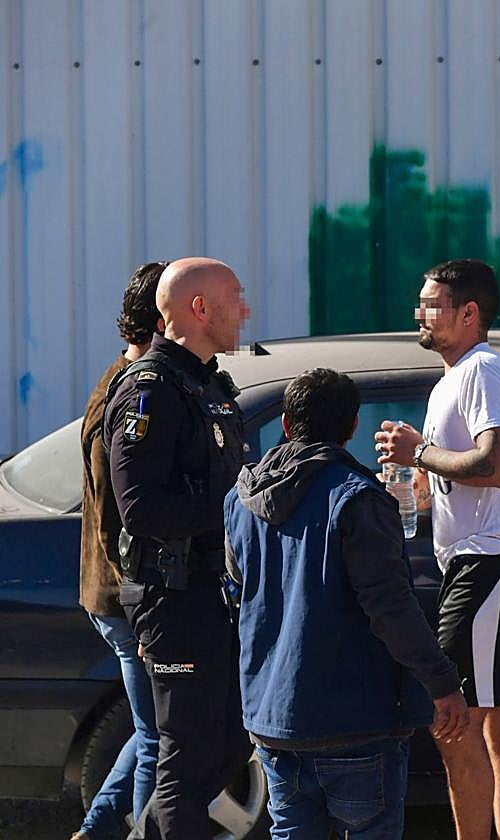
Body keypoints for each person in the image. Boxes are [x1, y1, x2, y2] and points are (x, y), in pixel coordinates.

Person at [223, 367, 470, 838]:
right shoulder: (357, 500)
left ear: (288, 426)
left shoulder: (241, 499)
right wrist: (442, 683)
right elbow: (391, 608)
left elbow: (238, 588)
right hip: (356, 722)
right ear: (352, 427)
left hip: (274, 719)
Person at [374, 259, 500, 840]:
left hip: (490, 563)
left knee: (455, 721)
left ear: (469, 313)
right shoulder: (453, 379)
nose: (420, 314)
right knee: (498, 723)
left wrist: (420, 454)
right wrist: (413, 486)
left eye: (433, 305)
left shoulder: (485, 369)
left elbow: (495, 465)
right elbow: (460, 477)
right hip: (480, 562)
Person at [103, 257, 252, 840]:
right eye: (235, 297)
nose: (245, 310)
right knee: (185, 759)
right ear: (199, 308)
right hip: (174, 596)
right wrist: (235, 513)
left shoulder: (209, 381)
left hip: (217, 595)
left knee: (230, 739)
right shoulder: (150, 391)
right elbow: (140, 508)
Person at [73, 261, 167, 840]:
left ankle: (96, 828)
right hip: (122, 594)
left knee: (148, 726)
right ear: (164, 319)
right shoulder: (133, 396)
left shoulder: (121, 378)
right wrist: (142, 592)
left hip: (111, 592)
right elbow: (120, 515)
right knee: (159, 734)